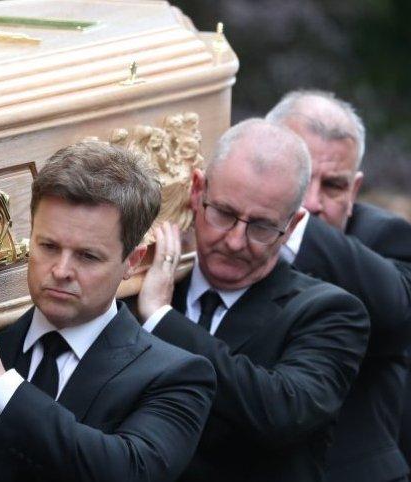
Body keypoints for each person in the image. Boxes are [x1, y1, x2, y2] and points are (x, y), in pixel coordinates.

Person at [0, 142, 218, 482]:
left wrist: (0, 385)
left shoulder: (177, 377)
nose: (60, 270)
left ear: (131, 261)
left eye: (87, 256)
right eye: (48, 246)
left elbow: (127, 471)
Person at [130, 119, 370, 482]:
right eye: (223, 214)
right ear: (197, 191)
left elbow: (281, 412)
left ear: (291, 226)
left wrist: (162, 319)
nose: (235, 241)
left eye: (261, 227)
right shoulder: (134, 289)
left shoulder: (331, 312)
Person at [267, 90, 411, 482]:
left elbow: (400, 310)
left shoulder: (383, 238)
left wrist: (284, 219)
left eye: (333, 185)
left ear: (355, 190)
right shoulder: (221, 233)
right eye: (299, 177)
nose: (313, 202)